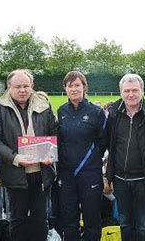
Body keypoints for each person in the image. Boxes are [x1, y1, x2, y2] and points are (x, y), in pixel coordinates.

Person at [0, 69, 57, 241]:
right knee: (18, 219)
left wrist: (50, 153)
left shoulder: (45, 106)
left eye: (26, 86)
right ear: (9, 87)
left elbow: (55, 133)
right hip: (15, 174)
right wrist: (15, 158)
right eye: (18, 86)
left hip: (41, 173)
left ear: (32, 86)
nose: (22, 90)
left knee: (40, 219)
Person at [106, 74, 145, 240]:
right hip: (120, 180)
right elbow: (108, 144)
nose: (131, 94)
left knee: (144, 227)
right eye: (126, 90)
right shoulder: (113, 113)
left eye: (135, 90)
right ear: (121, 92)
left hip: (144, 180)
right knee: (125, 224)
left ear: (142, 91)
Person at [57, 71, 108, 241]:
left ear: (84, 87)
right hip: (67, 174)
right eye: (70, 86)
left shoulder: (96, 112)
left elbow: (103, 142)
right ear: (65, 88)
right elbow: (60, 140)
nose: (74, 89)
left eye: (77, 85)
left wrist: (90, 161)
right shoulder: (61, 111)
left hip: (90, 174)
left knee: (91, 218)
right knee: (69, 218)